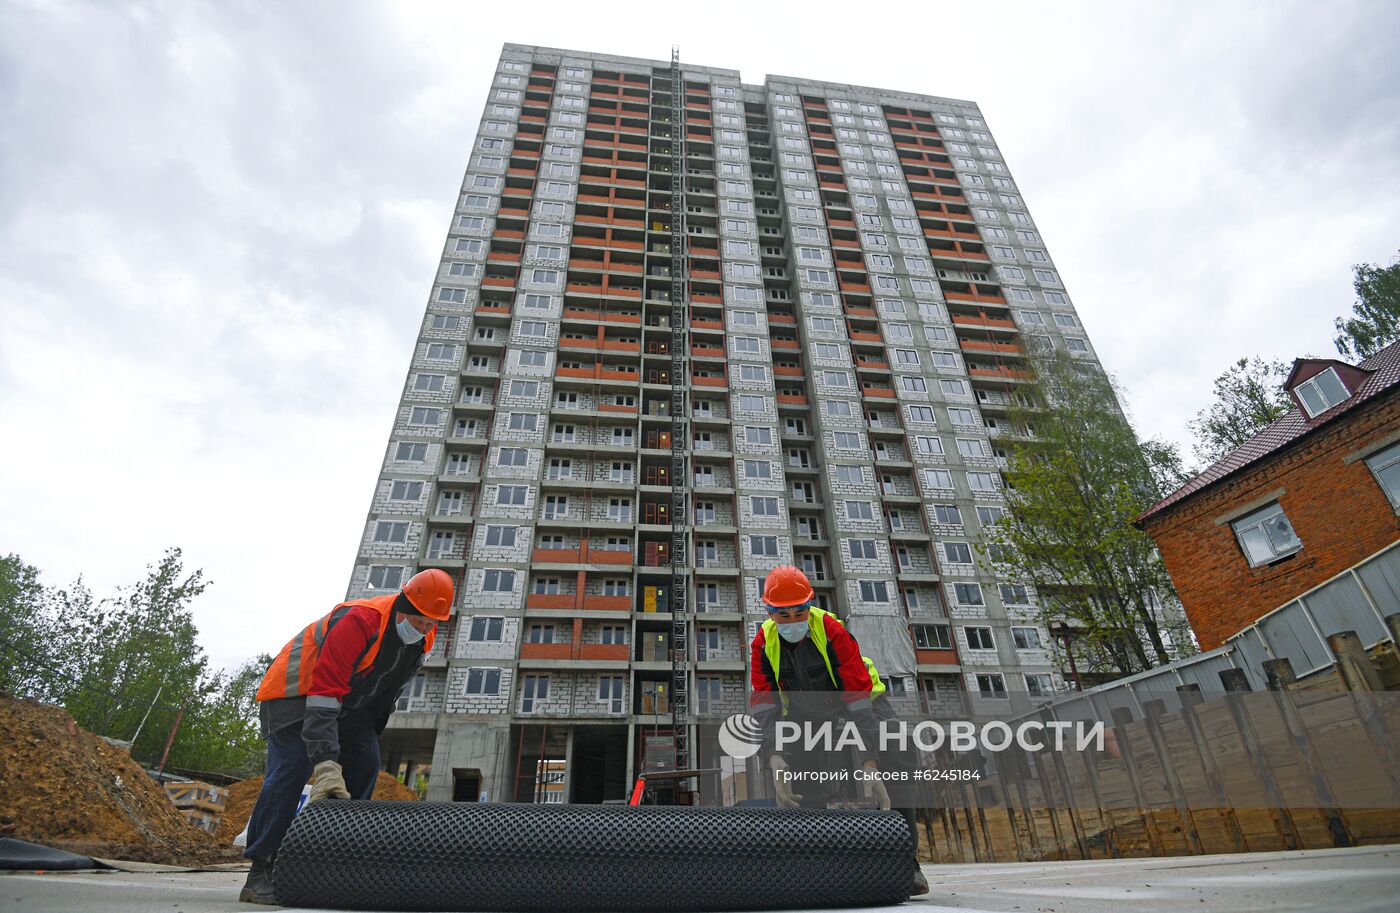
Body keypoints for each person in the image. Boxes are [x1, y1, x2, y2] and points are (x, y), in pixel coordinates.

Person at [238, 568, 453, 905]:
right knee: (292, 768)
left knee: (365, 763)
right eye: (418, 620)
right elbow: (324, 690)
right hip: (294, 695)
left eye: (431, 623)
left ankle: (330, 861)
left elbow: (384, 694)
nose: (424, 628)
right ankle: (261, 868)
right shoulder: (361, 620)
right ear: (403, 603)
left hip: (349, 707)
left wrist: (361, 742)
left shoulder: (424, 638)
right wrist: (325, 761)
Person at [749, 565, 929, 897]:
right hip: (804, 712)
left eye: (799, 611)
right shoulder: (762, 643)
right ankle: (814, 864)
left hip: (861, 698)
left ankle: (905, 861)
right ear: (769, 611)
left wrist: (871, 763)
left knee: (896, 751)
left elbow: (858, 698)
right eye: (782, 615)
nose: (791, 621)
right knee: (801, 778)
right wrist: (774, 756)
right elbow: (764, 703)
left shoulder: (831, 629)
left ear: (810, 604)